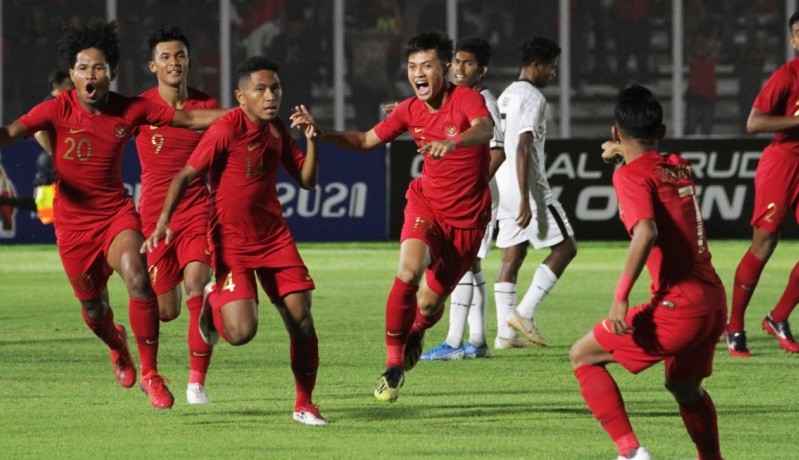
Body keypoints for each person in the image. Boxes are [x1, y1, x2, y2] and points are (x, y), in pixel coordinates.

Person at [0, 19, 227, 409]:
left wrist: (244, 114)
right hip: (72, 228)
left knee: (138, 277)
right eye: (84, 68)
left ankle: (152, 375)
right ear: (72, 74)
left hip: (116, 216)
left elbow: (188, 119)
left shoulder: (130, 109)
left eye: (100, 67)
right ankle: (116, 344)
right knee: (94, 309)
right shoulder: (56, 108)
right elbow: (11, 132)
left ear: (113, 73)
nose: (92, 74)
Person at [141, 56, 326, 426]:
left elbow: (306, 181)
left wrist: (311, 140)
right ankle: (211, 305)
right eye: (261, 89)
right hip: (231, 241)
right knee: (242, 333)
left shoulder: (277, 130)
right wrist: (163, 220)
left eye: (275, 88)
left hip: (274, 237)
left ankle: (304, 404)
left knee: (301, 317)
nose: (270, 95)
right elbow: (184, 176)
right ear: (241, 96)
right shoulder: (225, 129)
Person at [315, 31, 494, 403]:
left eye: (427, 66)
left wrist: (453, 140)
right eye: (412, 67)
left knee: (428, 306)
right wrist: (321, 134)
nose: (419, 73)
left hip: (467, 221)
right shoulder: (408, 109)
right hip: (426, 204)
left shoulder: (467, 99)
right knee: (408, 271)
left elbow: (485, 129)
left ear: (445, 69)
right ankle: (393, 366)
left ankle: (416, 330)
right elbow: (366, 141)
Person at [570, 84, 726, 460]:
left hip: (680, 307)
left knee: (583, 356)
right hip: (713, 303)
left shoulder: (629, 177)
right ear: (662, 132)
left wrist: (620, 296)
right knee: (684, 388)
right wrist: (622, 151)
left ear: (615, 133)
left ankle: (631, 453)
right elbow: (655, 161)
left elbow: (647, 230)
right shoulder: (680, 165)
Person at [134, 26, 218, 404]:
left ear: (189, 60)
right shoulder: (138, 108)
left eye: (180, 55)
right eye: (165, 57)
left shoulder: (207, 106)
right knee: (165, 311)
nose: (174, 63)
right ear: (153, 65)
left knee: (196, 288)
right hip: (154, 220)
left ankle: (196, 382)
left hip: (197, 210)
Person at [420, 36, 505, 361]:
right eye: (456, 61)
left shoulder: (484, 100)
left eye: (467, 63)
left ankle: (456, 342)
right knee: (471, 267)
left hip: (475, 198)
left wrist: (472, 184)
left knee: (464, 268)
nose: (459, 67)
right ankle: (477, 341)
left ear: (482, 69)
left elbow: (498, 150)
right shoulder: (459, 98)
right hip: (469, 196)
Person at [495, 37, 577, 348]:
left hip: (502, 187)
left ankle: (505, 334)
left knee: (512, 256)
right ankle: (525, 313)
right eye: (551, 67)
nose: (553, 73)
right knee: (566, 247)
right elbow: (524, 145)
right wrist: (526, 196)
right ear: (536, 66)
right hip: (527, 187)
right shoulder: (531, 96)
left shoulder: (506, 95)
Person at [726, 11, 799, 357]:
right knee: (765, 243)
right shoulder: (785, 77)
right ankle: (735, 325)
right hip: (783, 162)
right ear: (793, 41)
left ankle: (778, 317)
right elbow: (754, 123)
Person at [0, 70, 72, 221]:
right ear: (55, 86)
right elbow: (39, 132)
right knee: (50, 210)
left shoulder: (66, 105)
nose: (71, 88)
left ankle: (5, 201)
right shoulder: (52, 105)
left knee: (49, 210)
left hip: (51, 161)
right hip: (52, 162)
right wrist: (54, 155)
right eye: (68, 84)